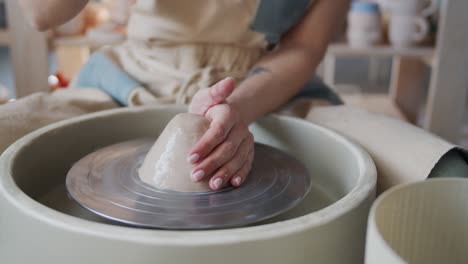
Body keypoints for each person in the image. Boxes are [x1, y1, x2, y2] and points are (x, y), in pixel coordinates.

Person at [8, 0, 467, 193]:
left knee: (447, 178)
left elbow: (304, 48)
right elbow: (41, 14)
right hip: (133, 77)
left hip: (262, 89)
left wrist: (239, 109)